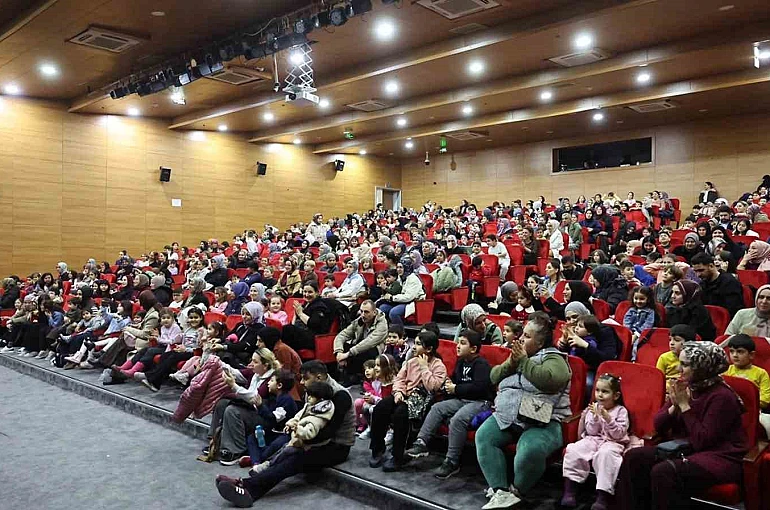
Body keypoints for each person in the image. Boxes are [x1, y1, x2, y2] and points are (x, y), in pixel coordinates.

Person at [617, 342, 748, 510]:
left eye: (685, 364)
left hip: (720, 456)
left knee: (664, 472)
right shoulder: (685, 387)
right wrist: (674, 406)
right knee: (634, 458)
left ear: (702, 367)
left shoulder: (722, 397)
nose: (679, 368)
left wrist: (685, 406)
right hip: (686, 448)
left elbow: (702, 440)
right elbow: (658, 425)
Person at [215, 360, 355, 507]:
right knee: (284, 447)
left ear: (319, 377)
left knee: (295, 458)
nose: (301, 382)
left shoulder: (340, 396)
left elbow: (329, 432)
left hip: (336, 445)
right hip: (311, 437)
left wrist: (300, 441)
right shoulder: (315, 392)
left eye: (305, 378)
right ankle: (246, 483)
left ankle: (248, 487)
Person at [475, 312, 572, 510]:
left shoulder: (555, 358)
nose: (520, 339)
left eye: (527, 336)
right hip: (510, 415)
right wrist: (512, 362)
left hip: (544, 420)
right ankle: (500, 492)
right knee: (485, 436)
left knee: (530, 450)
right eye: (523, 334)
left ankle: (516, 492)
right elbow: (493, 377)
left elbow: (549, 380)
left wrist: (524, 361)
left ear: (540, 342)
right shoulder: (518, 357)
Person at [406, 329, 493, 479]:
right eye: (458, 342)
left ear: (473, 348)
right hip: (461, 399)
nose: (457, 346)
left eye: (462, 343)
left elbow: (480, 387)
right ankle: (421, 442)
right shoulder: (460, 362)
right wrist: (449, 384)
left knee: (458, 419)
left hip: (480, 402)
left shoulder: (481, 364)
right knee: (437, 408)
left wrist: (456, 388)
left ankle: (451, 461)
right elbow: (455, 381)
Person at [369, 330, 447, 472]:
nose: (414, 347)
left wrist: (424, 367)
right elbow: (400, 379)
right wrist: (398, 392)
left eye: (418, 344)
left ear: (429, 349)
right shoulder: (411, 362)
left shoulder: (438, 366)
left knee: (400, 414)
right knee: (381, 407)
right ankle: (377, 448)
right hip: (404, 395)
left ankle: (398, 456)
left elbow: (432, 387)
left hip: (422, 401)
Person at [561, 374, 640, 510]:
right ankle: (570, 491)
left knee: (606, 455)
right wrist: (596, 418)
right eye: (597, 390)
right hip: (593, 439)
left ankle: (602, 497)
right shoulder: (594, 408)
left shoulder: (621, 411)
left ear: (616, 396)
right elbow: (591, 431)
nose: (600, 395)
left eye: (605, 391)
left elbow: (619, 434)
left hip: (613, 442)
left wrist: (608, 419)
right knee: (574, 450)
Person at [249, 381, 335, 475]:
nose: (308, 397)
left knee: (284, 452)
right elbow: (297, 416)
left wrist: (296, 428)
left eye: (312, 396)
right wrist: (290, 424)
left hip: (303, 444)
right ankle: (260, 464)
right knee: (277, 448)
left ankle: (266, 466)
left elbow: (309, 432)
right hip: (293, 438)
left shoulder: (319, 416)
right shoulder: (309, 405)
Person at [725, 334, 770, 436]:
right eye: (732, 351)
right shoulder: (726, 371)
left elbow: (766, 399)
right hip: (729, 409)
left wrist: (747, 403)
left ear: (751, 355)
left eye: (740, 351)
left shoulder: (761, 373)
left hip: (754, 412)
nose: (735, 355)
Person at [333, 300, 388, 384]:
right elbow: (341, 335)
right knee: (344, 346)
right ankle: (350, 376)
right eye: (361, 311)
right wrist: (339, 352)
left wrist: (347, 354)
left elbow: (369, 342)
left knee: (366, 350)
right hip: (360, 347)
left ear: (374, 312)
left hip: (375, 350)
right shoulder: (359, 320)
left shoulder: (382, 324)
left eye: (366, 312)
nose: (362, 314)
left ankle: (361, 378)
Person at [281, 282, 332, 351]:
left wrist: (300, 313)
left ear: (317, 293)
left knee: (288, 329)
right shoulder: (305, 304)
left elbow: (313, 324)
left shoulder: (320, 306)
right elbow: (294, 323)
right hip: (303, 332)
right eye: (305, 292)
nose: (306, 294)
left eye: (310, 292)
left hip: (314, 338)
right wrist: (296, 314)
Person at [212, 302, 265, 368]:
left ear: (255, 315)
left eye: (248, 314)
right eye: (243, 314)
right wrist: (219, 339)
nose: (244, 317)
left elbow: (243, 346)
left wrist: (223, 347)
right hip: (233, 351)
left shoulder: (259, 329)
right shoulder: (241, 325)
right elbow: (229, 334)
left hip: (243, 357)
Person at [690, 252, 743, 318]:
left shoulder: (730, 282)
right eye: (695, 271)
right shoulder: (702, 285)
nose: (698, 275)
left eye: (701, 270)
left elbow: (733, 310)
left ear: (711, 266)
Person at [377, 257, 426, 326]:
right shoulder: (400, 277)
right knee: (382, 308)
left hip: (413, 302)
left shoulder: (413, 279)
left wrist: (392, 298)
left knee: (393, 313)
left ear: (407, 268)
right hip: (400, 300)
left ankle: (400, 332)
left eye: (401, 267)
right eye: (397, 267)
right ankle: (386, 329)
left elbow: (408, 297)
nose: (398, 270)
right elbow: (397, 291)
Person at [356, 354, 395, 438]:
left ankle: (389, 430)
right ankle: (371, 427)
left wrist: (373, 399)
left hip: (389, 406)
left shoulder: (392, 382)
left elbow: (386, 401)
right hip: (380, 403)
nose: (375, 368)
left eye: (378, 365)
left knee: (372, 409)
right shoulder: (375, 381)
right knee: (365, 406)